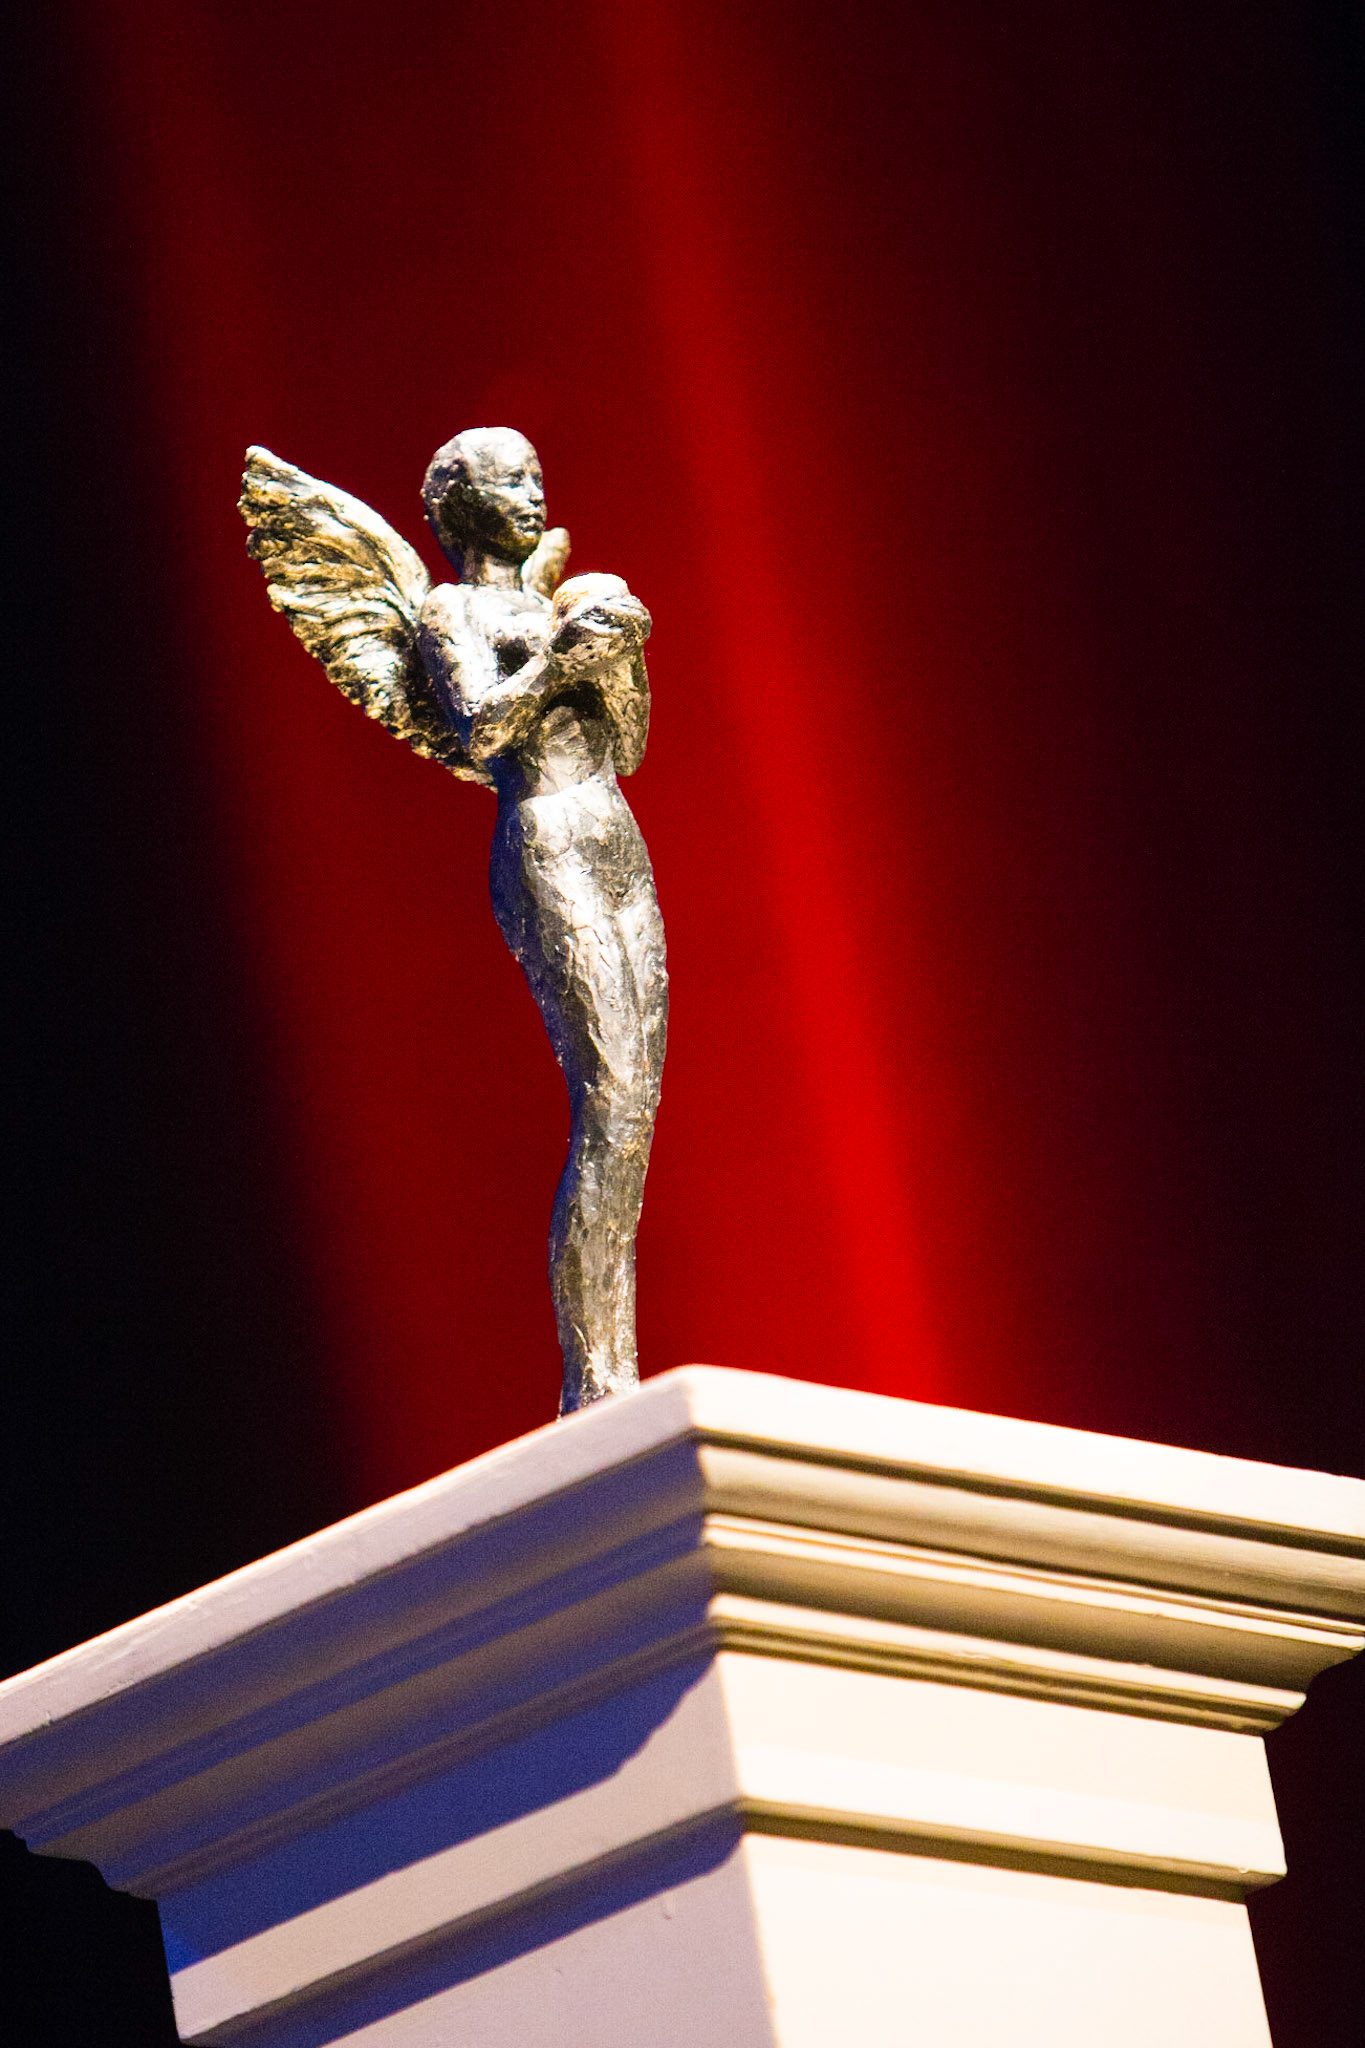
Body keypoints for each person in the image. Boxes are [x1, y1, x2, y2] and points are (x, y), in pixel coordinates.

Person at [416, 430, 667, 1412]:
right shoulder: (453, 609)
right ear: (459, 502)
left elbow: (630, 745)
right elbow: (479, 730)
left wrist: (619, 658)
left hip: (615, 832)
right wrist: (563, 656)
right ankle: (593, 1379)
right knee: (607, 1104)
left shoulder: (558, 602)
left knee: (636, 1115)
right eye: (509, 481)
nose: (531, 494)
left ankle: (617, 1363)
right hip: (546, 834)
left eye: (536, 478)